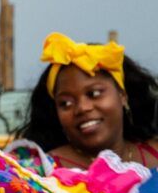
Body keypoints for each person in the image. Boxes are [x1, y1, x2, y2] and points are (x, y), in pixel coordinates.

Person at [12, 32, 158, 171]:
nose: (82, 108)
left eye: (94, 94)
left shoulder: (154, 152)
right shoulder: (40, 173)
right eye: (66, 103)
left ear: (122, 95)